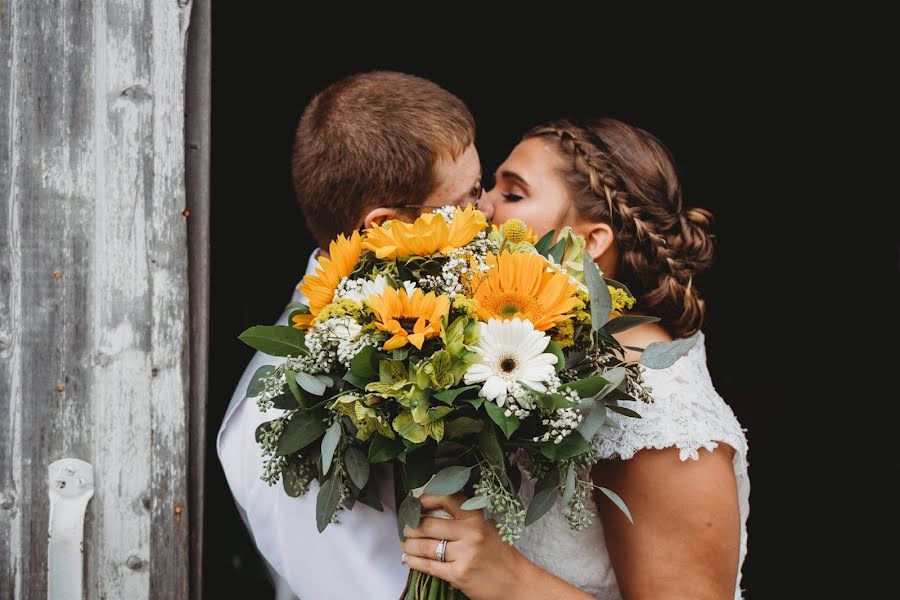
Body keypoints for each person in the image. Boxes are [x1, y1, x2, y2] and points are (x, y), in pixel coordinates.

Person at [400, 118, 750, 599]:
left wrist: (510, 579)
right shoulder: (546, 357)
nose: (480, 208)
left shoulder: (663, 415)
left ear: (589, 243)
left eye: (513, 194)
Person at [216, 71, 483, 599]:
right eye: (469, 199)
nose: (489, 212)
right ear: (384, 227)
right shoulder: (285, 421)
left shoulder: (446, 321)